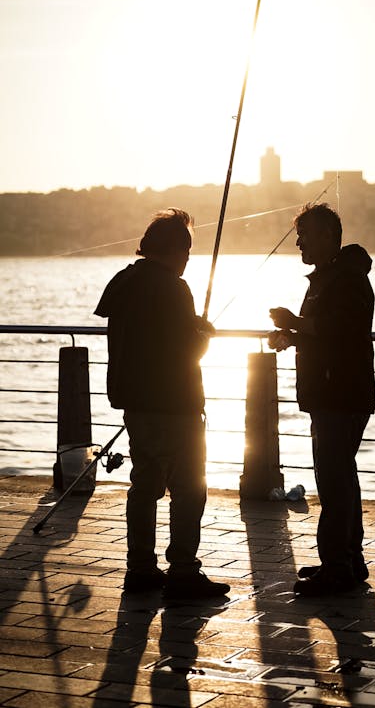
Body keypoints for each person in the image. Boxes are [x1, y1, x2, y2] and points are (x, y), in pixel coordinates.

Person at [94, 209, 230, 598]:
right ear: (176, 249)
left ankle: (140, 568)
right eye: (187, 249)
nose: (188, 259)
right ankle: (183, 571)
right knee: (188, 489)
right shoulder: (173, 288)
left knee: (145, 486)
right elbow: (185, 352)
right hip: (174, 405)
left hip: (135, 404)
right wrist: (203, 335)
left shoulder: (124, 282)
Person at [268, 203, 375, 596]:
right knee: (341, 478)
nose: (299, 243)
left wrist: (293, 323)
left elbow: (340, 331)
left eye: (306, 235)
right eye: (298, 236)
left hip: (341, 394)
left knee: (334, 482)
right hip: (329, 392)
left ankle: (338, 567)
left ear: (329, 236)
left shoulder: (346, 279)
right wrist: (291, 337)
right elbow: (322, 335)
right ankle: (348, 559)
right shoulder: (326, 279)